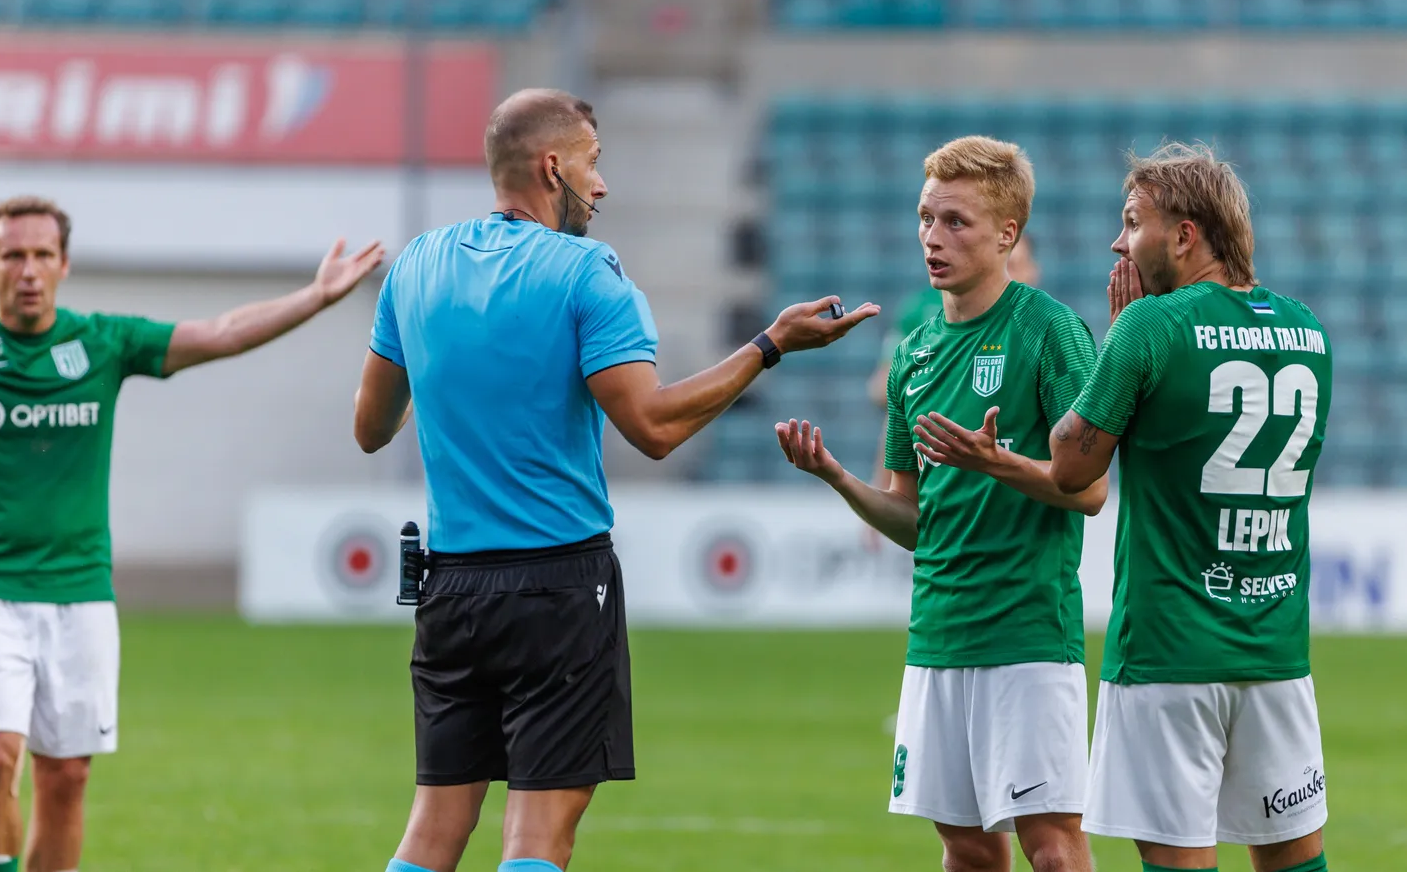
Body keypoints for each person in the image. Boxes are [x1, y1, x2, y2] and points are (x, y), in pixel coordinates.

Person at [352, 88, 877, 872]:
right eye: (594, 165)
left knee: (431, 831)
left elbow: (370, 427)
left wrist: (457, 381)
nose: (602, 185)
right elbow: (653, 427)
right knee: (537, 837)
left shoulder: (418, 264)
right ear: (551, 166)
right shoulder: (586, 272)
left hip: (450, 587)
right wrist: (770, 345)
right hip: (557, 586)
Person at [0, 196, 385, 872]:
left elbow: (220, 331)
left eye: (43, 254)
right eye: (13, 254)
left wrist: (313, 297)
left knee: (66, 775)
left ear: (64, 264)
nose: (30, 270)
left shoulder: (102, 340)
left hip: (80, 592)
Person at [774, 136, 1104, 872]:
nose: (933, 236)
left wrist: (999, 462)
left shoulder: (1052, 332)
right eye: (926, 217)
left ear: (1007, 234)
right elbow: (913, 518)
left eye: (955, 221)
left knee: (1051, 843)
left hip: (1027, 635)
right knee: (966, 847)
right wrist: (835, 476)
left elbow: (1090, 490)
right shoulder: (916, 355)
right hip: (936, 636)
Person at [1049, 143, 1332, 872]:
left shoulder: (1149, 327)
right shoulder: (1308, 331)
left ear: (1185, 234)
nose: (1119, 241)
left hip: (1169, 656)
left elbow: (1071, 463)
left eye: (1133, 221)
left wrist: (1117, 340)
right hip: (1274, 653)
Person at [861, 233, 1041, 547]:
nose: (1012, 276)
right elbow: (886, 393)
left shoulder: (1043, 331)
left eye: (1019, 265)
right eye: (1006, 265)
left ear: (1034, 272)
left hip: (1018, 515)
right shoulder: (923, 312)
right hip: (939, 495)